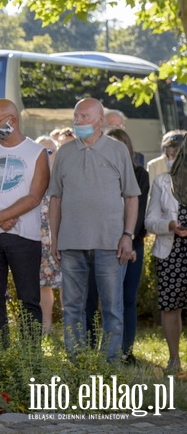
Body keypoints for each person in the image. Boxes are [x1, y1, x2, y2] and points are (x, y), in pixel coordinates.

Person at [48, 98, 140, 363]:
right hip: (71, 243)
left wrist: (127, 236)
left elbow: (132, 196)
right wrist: (56, 239)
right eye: (76, 116)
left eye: (85, 117)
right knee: (72, 307)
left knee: (112, 307)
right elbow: (55, 199)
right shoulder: (64, 153)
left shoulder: (117, 150)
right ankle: (77, 362)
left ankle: (109, 365)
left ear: (100, 120)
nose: (78, 122)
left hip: (110, 243)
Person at [0, 100, 48, 336]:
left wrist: (1, 216)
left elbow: (35, 196)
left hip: (25, 236)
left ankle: (30, 356)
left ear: (12, 120)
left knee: (28, 299)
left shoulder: (37, 153)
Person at [105, 128, 149, 364]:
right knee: (108, 300)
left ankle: (125, 350)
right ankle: (106, 349)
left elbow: (139, 212)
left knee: (127, 298)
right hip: (103, 244)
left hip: (133, 244)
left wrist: (127, 239)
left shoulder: (140, 174)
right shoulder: (99, 173)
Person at [145, 151, 187, 373]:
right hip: (171, 253)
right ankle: (174, 359)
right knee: (171, 307)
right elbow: (150, 221)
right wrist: (169, 225)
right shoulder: (163, 181)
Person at [34, 135, 61, 334]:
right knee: (43, 285)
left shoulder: (62, 179)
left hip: (61, 239)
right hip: (37, 240)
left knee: (69, 285)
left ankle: (73, 327)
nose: (46, 155)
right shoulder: (32, 180)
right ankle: (45, 327)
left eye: (50, 151)